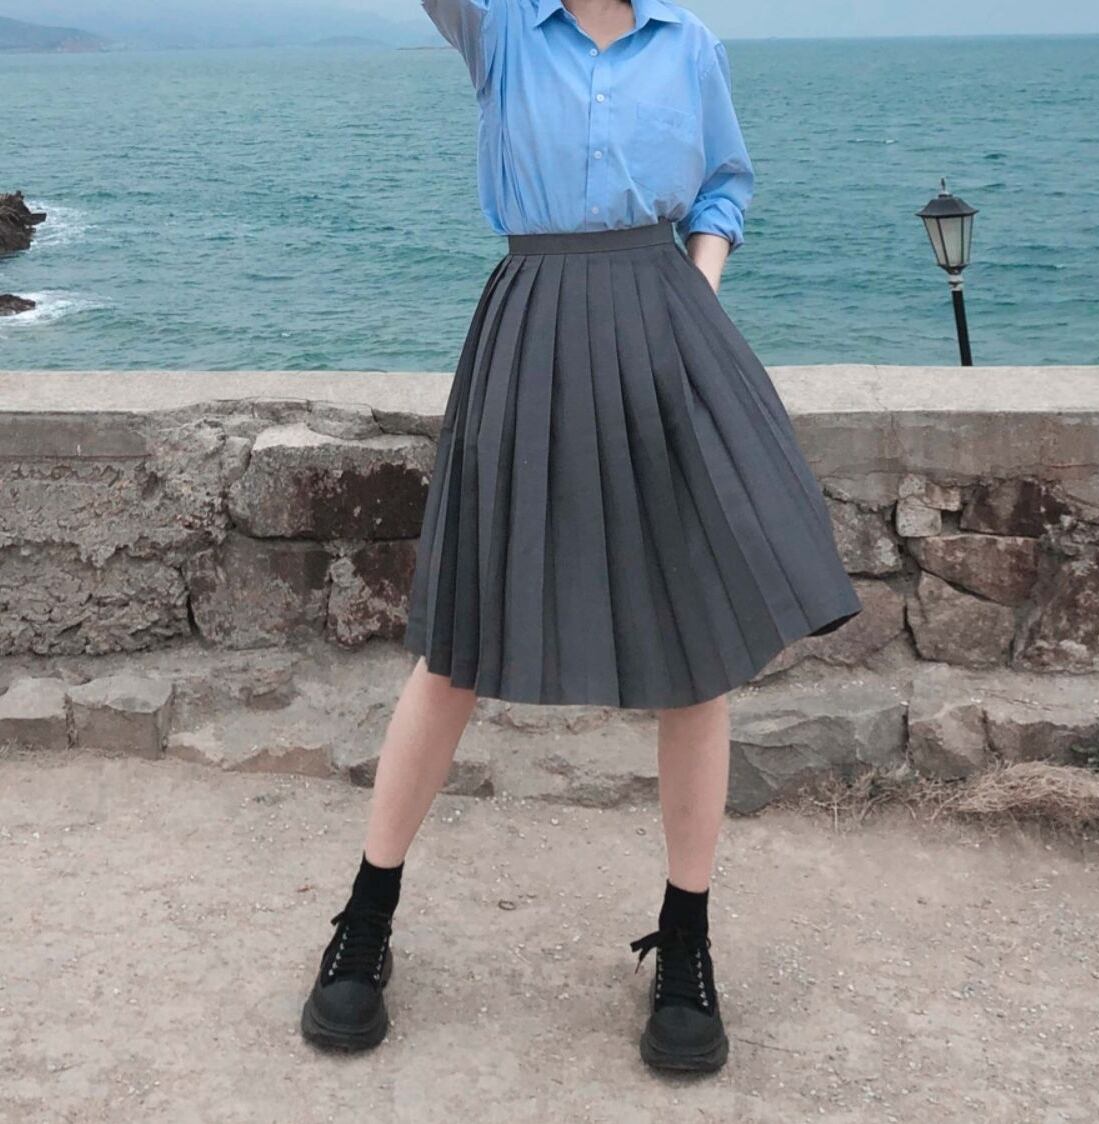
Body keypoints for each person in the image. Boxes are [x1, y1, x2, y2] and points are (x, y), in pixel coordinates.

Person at [300, 0, 863, 1074]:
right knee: (457, 642)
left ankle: (685, 944)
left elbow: (722, 185)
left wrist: (694, 290)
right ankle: (364, 920)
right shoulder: (502, 28)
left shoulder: (688, 45)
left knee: (697, 646)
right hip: (533, 328)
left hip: (666, 334)